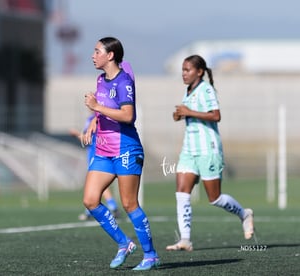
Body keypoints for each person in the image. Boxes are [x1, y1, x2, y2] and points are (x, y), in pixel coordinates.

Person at [82, 37, 160, 270]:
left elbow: (127, 116)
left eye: (97, 51)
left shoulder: (123, 81)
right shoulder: (100, 79)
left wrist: (96, 107)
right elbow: (103, 110)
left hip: (125, 148)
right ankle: (124, 243)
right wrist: (94, 122)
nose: (92, 55)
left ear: (110, 55)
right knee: (90, 200)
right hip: (103, 149)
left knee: (129, 204)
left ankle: (151, 255)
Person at [166, 54, 254, 252]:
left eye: (187, 70)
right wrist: (179, 115)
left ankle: (244, 214)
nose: (184, 74)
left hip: (208, 149)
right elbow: (188, 113)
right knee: (181, 193)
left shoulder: (206, 89)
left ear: (199, 72)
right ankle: (185, 240)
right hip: (189, 149)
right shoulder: (188, 91)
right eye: (182, 70)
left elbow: (216, 115)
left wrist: (188, 112)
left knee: (214, 198)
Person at [68, 114, 120, 221]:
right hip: (94, 153)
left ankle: (103, 209)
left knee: (94, 183)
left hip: (97, 154)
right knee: (97, 184)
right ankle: (110, 207)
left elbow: (89, 139)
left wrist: (76, 133)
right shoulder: (91, 118)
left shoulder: (98, 118)